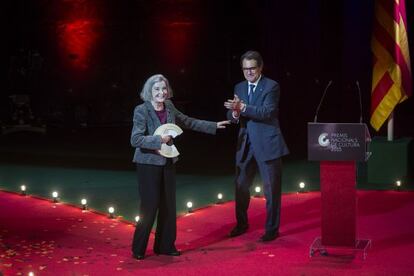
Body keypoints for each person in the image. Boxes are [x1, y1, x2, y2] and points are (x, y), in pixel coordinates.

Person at [131, 74, 229, 259]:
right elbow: (135, 139)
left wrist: (214, 125)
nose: (161, 92)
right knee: (150, 206)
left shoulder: (169, 106)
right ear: (149, 92)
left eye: (164, 88)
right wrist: (159, 139)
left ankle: (165, 245)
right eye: (157, 89)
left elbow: (188, 121)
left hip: (168, 161)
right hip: (148, 164)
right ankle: (138, 248)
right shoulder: (141, 110)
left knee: (168, 205)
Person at [224, 50, 289, 242]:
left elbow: (267, 112)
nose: (249, 73)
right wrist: (235, 114)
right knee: (241, 185)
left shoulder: (271, 86)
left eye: (252, 68)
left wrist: (243, 108)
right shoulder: (239, 87)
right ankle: (242, 224)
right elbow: (233, 116)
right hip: (245, 144)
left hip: (267, 143)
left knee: (271, 190)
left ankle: (272, 229)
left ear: (260, 67)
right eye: (245, 69)